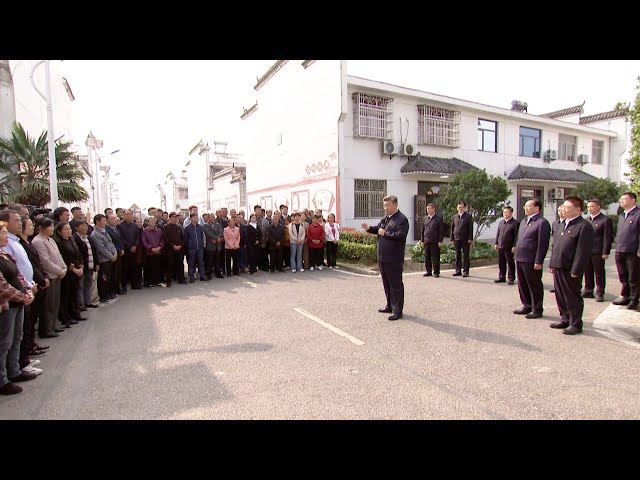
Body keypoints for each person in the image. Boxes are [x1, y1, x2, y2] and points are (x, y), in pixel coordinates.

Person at [0, 221, 36, 395]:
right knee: (4, 343)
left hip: (19, 303)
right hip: (7, 306)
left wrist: (27, 290)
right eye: (3, 233)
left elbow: (18, 275)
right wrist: (24, 296)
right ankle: (2, 379)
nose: (6, 236)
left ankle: (14, 370)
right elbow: (3, 287)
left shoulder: (5, 255)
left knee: (16, 338)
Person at [548, 197, 594, 335]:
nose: (564, 209)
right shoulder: (562, 224)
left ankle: (575, 323)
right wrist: (552, 262)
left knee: (572, 296)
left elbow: (583, 251)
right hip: (559, 265)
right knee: (560, 294)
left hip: (570, 268)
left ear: (578, 209)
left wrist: (577, 269)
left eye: (567, 207)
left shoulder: (583, 226)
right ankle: (565, 318)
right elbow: (555, 246)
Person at [361, 195, 409, 321]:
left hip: (394, 258)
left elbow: (400, 235)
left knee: (396, 284)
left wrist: (385, 233)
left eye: (387, 205)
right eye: (384, 205)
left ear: (395, 205)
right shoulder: (386, 218)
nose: (385, 208)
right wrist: (369, 228)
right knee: (386, 283)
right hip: (383, 257)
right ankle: (389, 305)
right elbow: (378, 229)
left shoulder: (402, 219)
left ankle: (398, 310)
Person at [513, 198, 551, 319]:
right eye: (525, 206)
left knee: (534, 285)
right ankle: (527, 305)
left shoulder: (542, 223)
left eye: (528, 206)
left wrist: (539, 261)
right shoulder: (524, 221)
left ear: (536, 208)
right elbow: (519, 239)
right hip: (520, 258)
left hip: (531, 259)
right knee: (522, 283)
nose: (525, 208)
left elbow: (542, 244)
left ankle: (537, 308)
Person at [32, 218, 67, 335]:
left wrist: (63, 268)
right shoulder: (38, 241)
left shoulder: (51, 240)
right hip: (50, 275)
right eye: (50, 226)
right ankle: (46, 328)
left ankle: (53, 325)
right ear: (42, 228)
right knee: (48, 304)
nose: (52, 229)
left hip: (58, 274)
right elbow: (45, 261)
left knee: (55, 302)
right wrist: (59, 270)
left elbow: (59, 255)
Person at [612, 192, 640, 309]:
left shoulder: (638, 214)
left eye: (624, 199)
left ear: (633, 200)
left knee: (633, 276)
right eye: (621, 199)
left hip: (632, 251)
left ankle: (634, 299)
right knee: (623, 275)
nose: (621, 200)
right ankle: (625, 296)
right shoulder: (622, 215)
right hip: (620, 249)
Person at [583, 199, 613, 302]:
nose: (590, 208)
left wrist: (605, 252)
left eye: (592, 206)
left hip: (598, 251)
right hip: (587, 251)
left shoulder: (604, 220)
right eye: (588, 207)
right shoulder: (586, 220)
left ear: (598, 207)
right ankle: (588, 290)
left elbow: (607, 237)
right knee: (587, 271)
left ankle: (600, 292)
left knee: (599, 272)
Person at [91, 214, 118, 304]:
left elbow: (111, 243)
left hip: (110, 258)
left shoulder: (104, 231)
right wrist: (111, 256)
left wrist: (115, 253)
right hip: (103, 260)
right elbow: (101, 248)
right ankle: (103, 295)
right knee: (104, 279)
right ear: (98, 222)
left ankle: (109, 292)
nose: (105, 222)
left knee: (109, 277)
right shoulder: (95, 234)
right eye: (103, 220)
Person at [494, 206, 519, 285]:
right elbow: (498, 233)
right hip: (501, 245)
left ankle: (511, 278)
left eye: (507, 212)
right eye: (504, 212)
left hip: (509, 246)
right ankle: (501, 277)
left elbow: (516, 236)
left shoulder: (515, 223)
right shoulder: (501, 222)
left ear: (511, 213)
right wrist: (496, 243)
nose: (505, 214)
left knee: (510, 262)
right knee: (501, 262)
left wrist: (514, 246)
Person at [421, 203, 445, 278]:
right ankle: (428, 271)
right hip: (426, 241)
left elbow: (441, 231)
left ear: (434, 209)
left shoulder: (439, 218)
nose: (428, 210)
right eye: (427, 208)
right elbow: (422, 230)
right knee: (427, 257)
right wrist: (422, 240)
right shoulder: (425, 218)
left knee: (435, 257)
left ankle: (436, 272)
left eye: (430, 208)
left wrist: (440, 241)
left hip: (435, 241)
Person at [450, 201, 473, 277]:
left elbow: (470, 228)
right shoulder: (454, 216)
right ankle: (458, 271)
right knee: (457, 255)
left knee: (466, 255)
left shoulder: (468, 216)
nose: (460, 209)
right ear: (457, 208)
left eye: (462, 207)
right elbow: (452, 228)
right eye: (459, 207)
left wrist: (470, 238)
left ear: (465, 208)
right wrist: (452, 239)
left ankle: (466, 271)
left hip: (465, 239)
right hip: (456, 238)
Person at [141, 216, 164, 287]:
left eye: (154, 220)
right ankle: (149, 282)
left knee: (157, 267)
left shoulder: (159, 230)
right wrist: (151, 248)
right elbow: (144, 242)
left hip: (158, 251)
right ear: (148, 222)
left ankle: (157, 281)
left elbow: (162, 240)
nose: (153, 222)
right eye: (151, 221)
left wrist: (159, 247)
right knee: (149, 267)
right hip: (149, 252)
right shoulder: (144, 231)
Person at [184, 213, 206, 282]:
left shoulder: (200, 227)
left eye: (197, 218)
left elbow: (202, 237)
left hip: (200, 248)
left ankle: (202, 275)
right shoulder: (187, 228)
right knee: (191, 263)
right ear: (191, 219)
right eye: (195, 217)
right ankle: (191, 276)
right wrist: (188, 246)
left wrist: (203, 244)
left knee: (201, 262)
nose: (196, 219)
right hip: (191, 248)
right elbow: (186, 239)